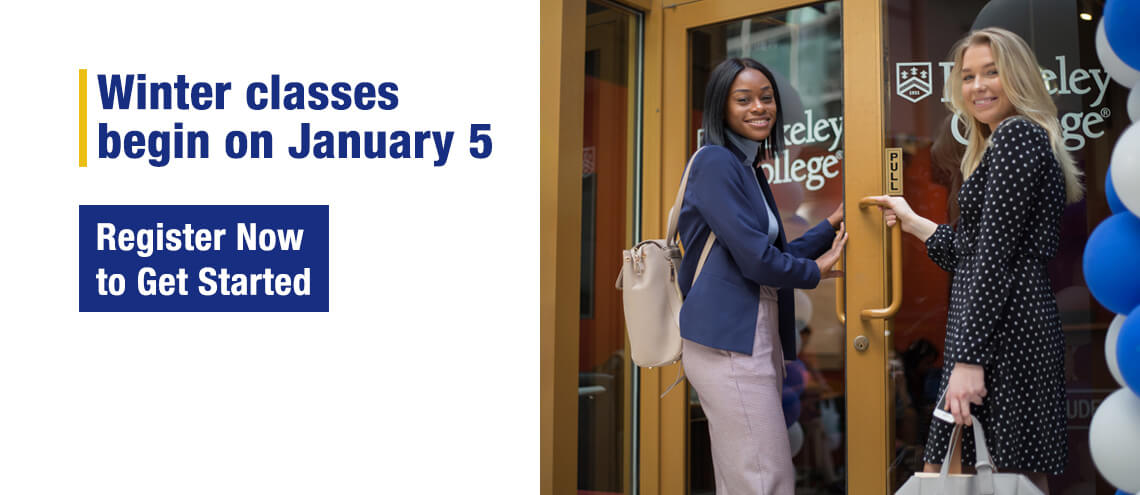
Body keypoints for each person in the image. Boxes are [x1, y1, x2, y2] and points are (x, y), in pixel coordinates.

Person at [869, 27, 1082, 494]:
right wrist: (913, 221)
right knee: (1006, 479)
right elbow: (975, 251)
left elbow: (992, 261)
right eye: (968, 76)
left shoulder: (1016, 136)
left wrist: (967, 360)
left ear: (1019, 78)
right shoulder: (1010, 142)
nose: (978, 86)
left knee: (983, 475)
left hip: (1003, 337)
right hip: (1007, 330)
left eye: (992, 72)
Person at [677, 57, 847, 495]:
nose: (759, 108)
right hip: (729, 342)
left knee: (745, 475)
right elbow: (756, 261)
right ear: (721, 108)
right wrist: (816, 271)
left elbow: (773, 253)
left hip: (748, 334)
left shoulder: (748, 168)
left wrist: (829, 226)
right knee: (765, 476)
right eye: (744, 99)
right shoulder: (716, 162)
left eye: (766, 98)